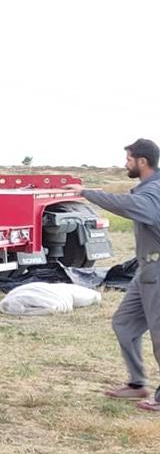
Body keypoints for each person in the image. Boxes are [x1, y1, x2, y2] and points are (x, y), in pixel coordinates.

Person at [64, 138, 160, 408]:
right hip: (147, 271)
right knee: (124, 324)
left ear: (142, 161)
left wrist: (87, 193)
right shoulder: (148, 189)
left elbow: (130, 207)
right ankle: (137, 383)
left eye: (129, 159)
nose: (125, 164)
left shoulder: (152, 193)